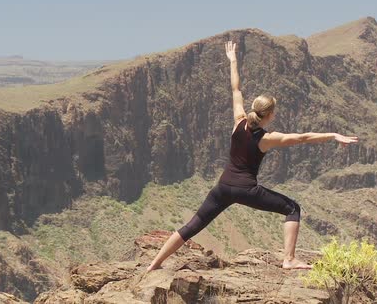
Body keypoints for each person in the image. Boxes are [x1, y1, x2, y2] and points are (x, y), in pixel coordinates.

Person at [146, 40, 358, 272]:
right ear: (269, 115)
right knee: (292, 208)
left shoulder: (238, 122)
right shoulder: (267, 138)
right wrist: (333, 135)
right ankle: (289, 259)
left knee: (192, 225)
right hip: (246, 190)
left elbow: (236, 89)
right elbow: (303, 137)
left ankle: (154, 264)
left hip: (223, 186)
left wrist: (233, 60)